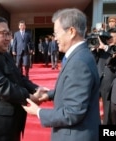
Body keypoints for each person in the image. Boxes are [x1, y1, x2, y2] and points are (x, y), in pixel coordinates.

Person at [22, 8, 101, 141]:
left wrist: (38, 112)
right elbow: (73, 88)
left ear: (71, 32)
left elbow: (72, 113)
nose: (55, 38)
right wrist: (49, 95)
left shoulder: (79, 62)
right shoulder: (79, 55)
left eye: (56, 33)